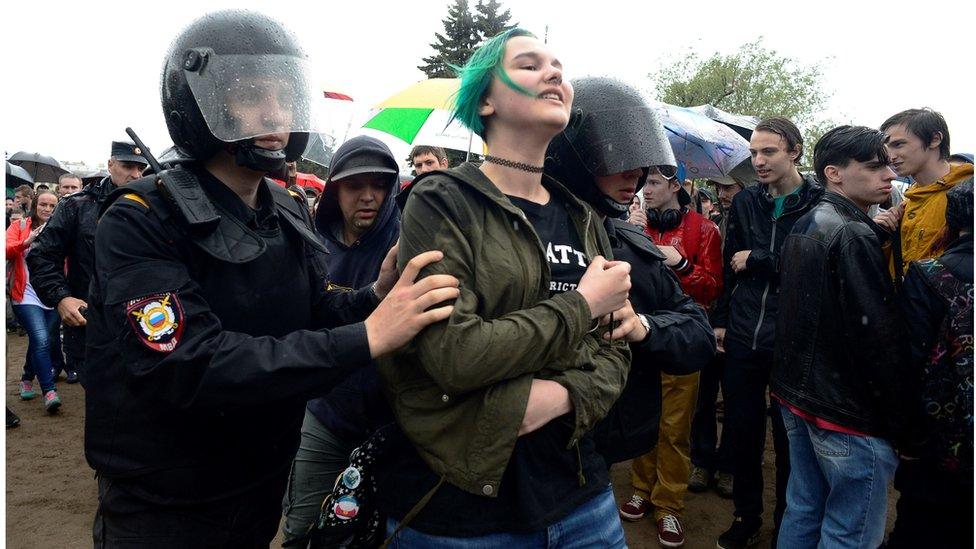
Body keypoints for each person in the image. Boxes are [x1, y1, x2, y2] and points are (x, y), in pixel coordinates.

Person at [82, 11, 459, 546]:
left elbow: (313, 311)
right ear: (200, 103)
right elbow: (189, 362)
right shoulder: (141, 218)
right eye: (250, 95)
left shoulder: (284, 206)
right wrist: (369, 337)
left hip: (259, 478)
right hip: (167, 500)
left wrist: (377, 294)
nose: (274, 113)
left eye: (284, 97)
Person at [375, 28, 632, 547]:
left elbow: (616, 349)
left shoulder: (582, 217)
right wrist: (581, 305)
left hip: (581, 496)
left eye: (559, 65)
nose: (555, 73)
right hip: (462, 508)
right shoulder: (441, 201)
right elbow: (456, 356)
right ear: (486, 100)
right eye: (529, 64)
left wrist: (562, 394)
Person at [547, 76, 716, 549]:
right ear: (575, 153)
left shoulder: (627, 242)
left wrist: (644, 327)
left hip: (588, 472)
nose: (636, 177)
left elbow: (696, 334)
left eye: (643, 165)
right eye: (618, 160)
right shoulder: (510, 233)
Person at [771, 126, 910, 548]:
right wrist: (905, 426)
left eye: (888, 163)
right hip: (843, 411)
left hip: (800, 396)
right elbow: (877, 338)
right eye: (874, 166)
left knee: (804, 508)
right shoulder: (851, 233)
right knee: (849, 530)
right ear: (834, 173)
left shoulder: (810, 221)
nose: (889, 174)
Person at [280, 135, 403, 545]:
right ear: (334, 189)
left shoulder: (408, 245)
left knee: (382, 530)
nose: (369, 196)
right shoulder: (309, 242)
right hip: (326, 413)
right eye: (355, 185)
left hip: (397, 420)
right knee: (302, 528)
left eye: (380, 185)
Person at [711, 117, 823, 549]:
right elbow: (727, 265)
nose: (757, 161)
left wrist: (759, 258)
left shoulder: (820, 203)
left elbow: (815, 268)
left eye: (768, 152)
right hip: (741, 334)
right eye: (753, 152)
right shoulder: (745, 203)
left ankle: (786, 524)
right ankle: (746, 514)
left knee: (791, 439)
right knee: (742, 431)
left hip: (792, 338)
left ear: (795, 150)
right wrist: (721, 318)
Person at [620, 159, 722, 544]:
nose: (645, 189)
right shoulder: (635, 227)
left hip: (681, 339)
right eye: (643, 181)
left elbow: (712, 287)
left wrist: (680, 263)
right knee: (642, 415)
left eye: (655, 182)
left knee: (676, 427)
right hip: (641, 336)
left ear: (676, 185)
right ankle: (640, 488)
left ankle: (669, 504)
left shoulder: (704, 229)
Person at [887, 180, 973, 548]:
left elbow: (909, 360)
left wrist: (906, 435)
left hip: (940, 436)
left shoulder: (931, 274)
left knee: (925, 524)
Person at [27, 141, 148, 385]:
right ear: (110, 164)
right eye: (127, 166)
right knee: (103, 401)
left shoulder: (153, 205)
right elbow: (41, 255)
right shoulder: (76, 205)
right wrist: (61, 298)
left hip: (143, 319)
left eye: (140, 168)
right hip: (91, 323)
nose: (135, 174)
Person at [688, 177, 744, 499]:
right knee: (703, 399)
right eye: (719, 189)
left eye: (729, 188)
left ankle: (728, 468)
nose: (723, 195)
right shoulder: (712, 226)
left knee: (735, 401)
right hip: (706, 324)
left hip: (739, 326)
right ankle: (702, 461)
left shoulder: (752, 224)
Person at [877, 108, 973, 278]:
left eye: (898, 144)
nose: (890, 156)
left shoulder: (968, 195)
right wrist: (883, 236)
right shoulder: (906, 203)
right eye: (886, 147)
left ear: (935, 139)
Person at [6, 189, 64, 412]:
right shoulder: (19, 226)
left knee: (43, 340)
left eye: (52, 206)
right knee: (40, 339)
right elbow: (6, 250)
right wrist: (27, 241)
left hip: (51, 294)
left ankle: (26, 377)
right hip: (26, 294)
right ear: (35, 205)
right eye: (43, 205)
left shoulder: (61, 229)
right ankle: (49, 391)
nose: (47, 209)